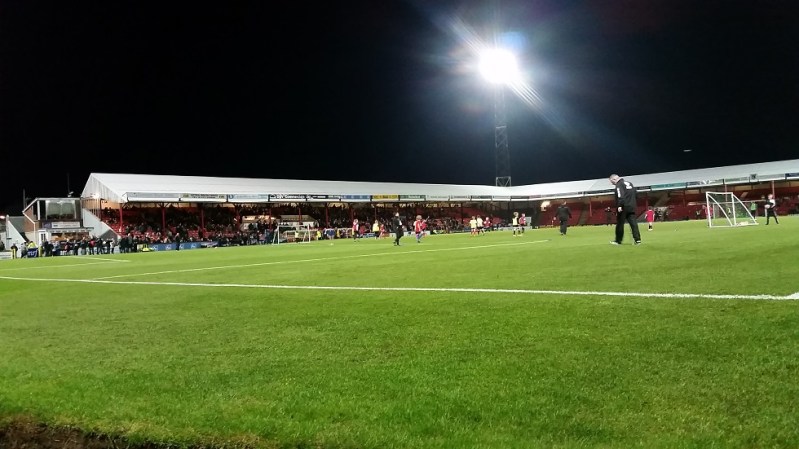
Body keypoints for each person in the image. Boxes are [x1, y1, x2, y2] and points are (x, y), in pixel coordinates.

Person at [609, 174, 642, 245]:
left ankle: (618, 240)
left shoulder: (619, 185)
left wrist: (620, 205)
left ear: (614, 179)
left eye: (611, 181)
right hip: (632, 206)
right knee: (633, 223)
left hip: (624, 207)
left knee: (620, 224)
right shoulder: (629, 183)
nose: (611, 183)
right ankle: (637, 239)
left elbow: (620, 195)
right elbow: (636, 194)